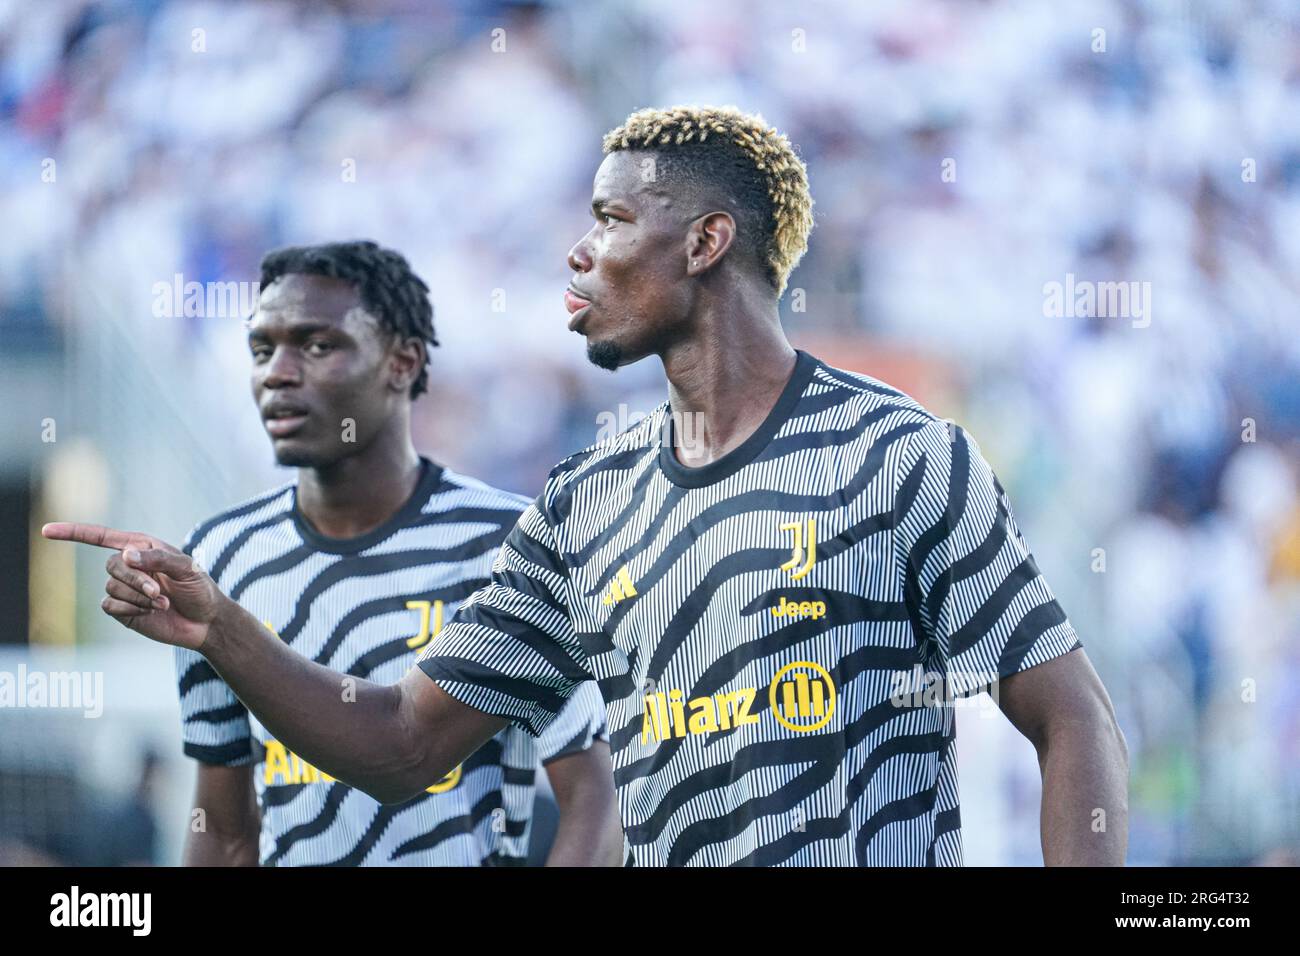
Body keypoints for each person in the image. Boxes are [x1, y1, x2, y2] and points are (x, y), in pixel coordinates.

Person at [46, 106, 1128, 866]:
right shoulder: (583, 502)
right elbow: (400, 743)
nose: (577, 251)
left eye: (610, 220)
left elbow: (1071, 715)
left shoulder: (897, 454)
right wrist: (222, 629)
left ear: (706, 241)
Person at [168, 240, 618, 866]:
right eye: (262, 349)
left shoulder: (511, 539)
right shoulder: (218, 558)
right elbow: (222, 829)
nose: (277, 372)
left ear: (403, 362)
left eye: (317, 345)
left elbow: (596, 797)